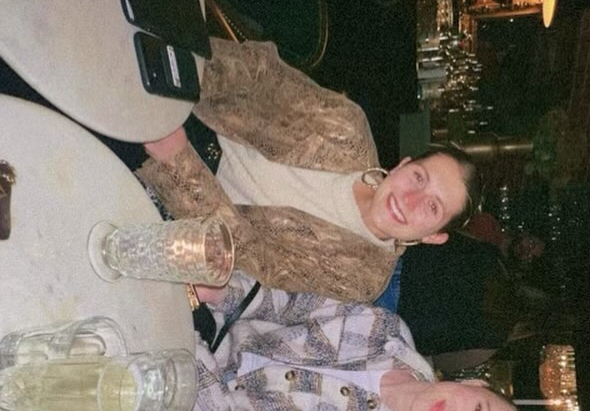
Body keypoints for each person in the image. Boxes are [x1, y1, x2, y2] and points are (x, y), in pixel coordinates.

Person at [138, 39, 481, 302]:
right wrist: (186, 77)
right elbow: (261, 71)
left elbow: (250, 261)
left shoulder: (361, 276)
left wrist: (177, 162)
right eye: (419, 177)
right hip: (187, 106)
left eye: (432, 207)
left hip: (171, 207)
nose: (410, 198)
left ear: (434, 236)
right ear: (404, 164)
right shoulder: (347, 128)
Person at [192, 272, 521, 411]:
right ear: (475, 384)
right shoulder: (387, 330)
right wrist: (222, 292)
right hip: (210, 326)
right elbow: (288, 304)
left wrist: (190, 352)